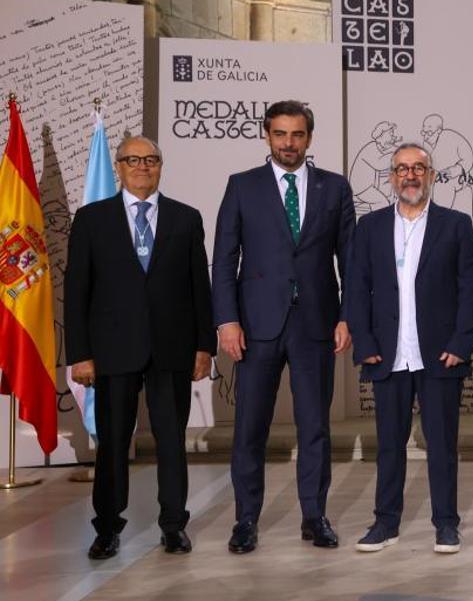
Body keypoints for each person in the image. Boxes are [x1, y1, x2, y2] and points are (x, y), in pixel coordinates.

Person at [212, 100, 355, 554]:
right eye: (280, 134)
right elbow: (224, 259)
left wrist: (347, 315)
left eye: (297, 134)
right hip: (256, 326)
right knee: (250, 427)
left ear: (309, 138)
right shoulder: (242, 186)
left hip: (316, 323)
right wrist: (227, 320)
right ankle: (246, 520)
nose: (288, 143)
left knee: (315, 427)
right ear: (267, 135)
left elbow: (350, 260)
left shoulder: (334, 187)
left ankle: (315, 516)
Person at [65, 136, 215, 559]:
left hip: (173, 349)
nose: (142, 166)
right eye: (133, 159)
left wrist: (204, 346)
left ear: (161, 166)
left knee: (171, 442)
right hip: (113, 351)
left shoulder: (186, 217)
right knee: (113, 443)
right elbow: (77, 291)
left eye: (150, 159)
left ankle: (174, 526)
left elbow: (199, 288)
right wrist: (79, 354)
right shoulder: (91, 219)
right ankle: (107, 528)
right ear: (118, 167)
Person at [344, 142, 473, 554]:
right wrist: (364, 342)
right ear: (391, 177)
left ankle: (446, 524)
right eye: (402, 169)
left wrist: (461, 343)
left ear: (431, 176)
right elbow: (356, 288)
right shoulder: (369, 227)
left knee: (442, 446)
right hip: (387, 354)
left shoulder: (455, 225)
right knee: (389, 446)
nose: (410, 175)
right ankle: (385, 523)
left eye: (418, 168)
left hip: (440, 354)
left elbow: (470, 289)